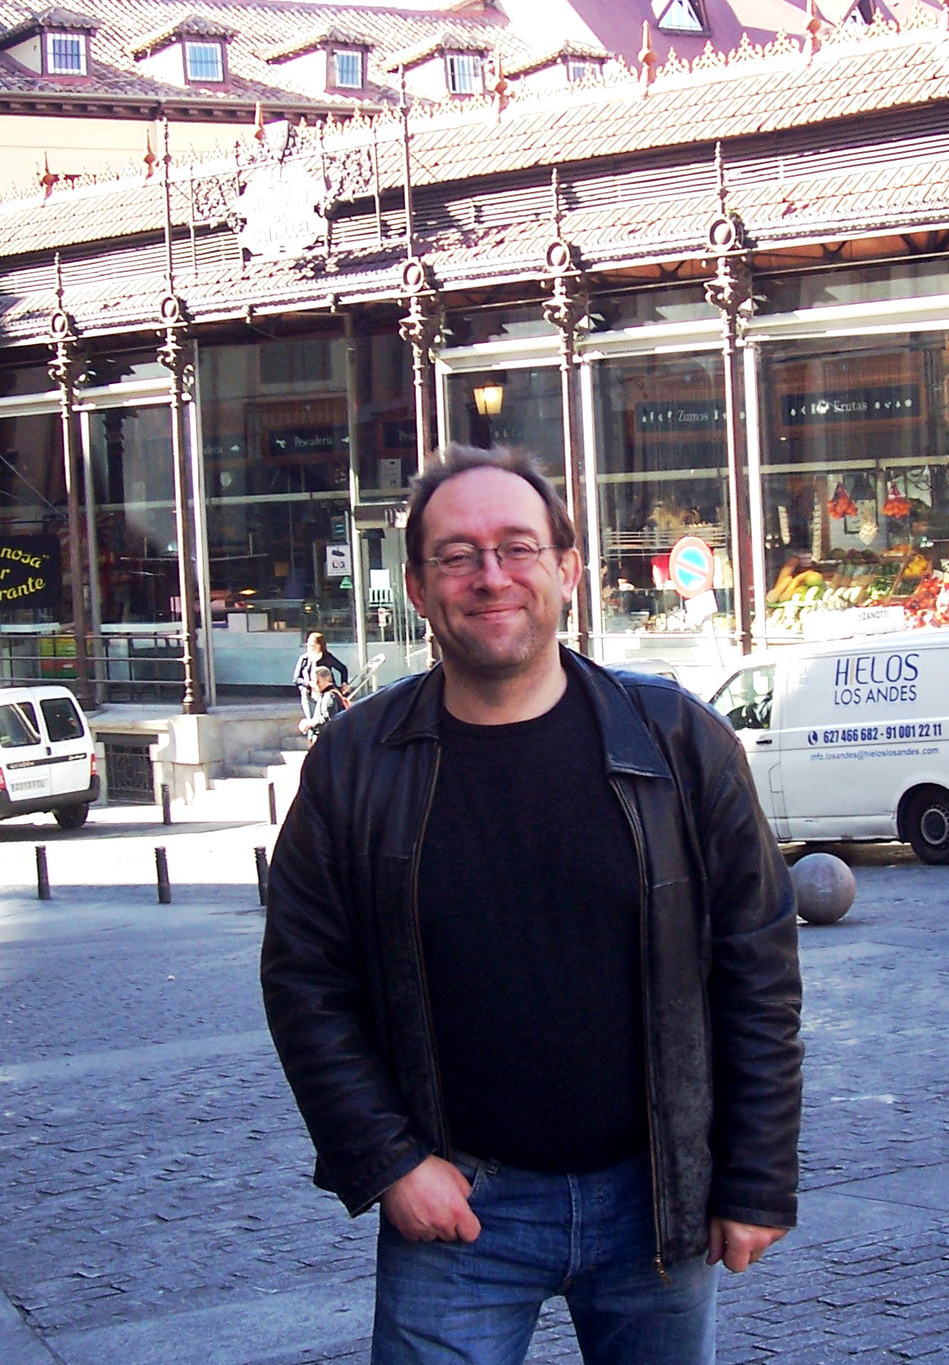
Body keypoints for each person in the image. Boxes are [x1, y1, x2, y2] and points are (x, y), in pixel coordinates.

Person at [260, 445, 802, 1365]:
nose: (491, 576)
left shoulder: (679, 740)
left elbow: (755, 966)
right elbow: (307, 979)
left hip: (656, 1199)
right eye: (457, 555)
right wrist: (390, 1161)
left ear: (566, 569)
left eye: (517, 547)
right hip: (457, 1204)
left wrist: (754, 1177)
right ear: (421, 590)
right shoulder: (355, 762)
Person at [292, 631, 348, 708]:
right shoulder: (304, 659)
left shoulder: (327, 657)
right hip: (309, 692)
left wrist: (344, 683)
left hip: (326, 691)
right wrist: (308, 684)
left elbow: (343, 669)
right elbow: (296, 679)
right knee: (312, 718)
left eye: (313, 643)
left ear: (320, 645)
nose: (310, 645)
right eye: (309, 642)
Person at [297, 665, 347, 745]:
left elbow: (328, 718)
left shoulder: (329, 696)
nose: (312, 684)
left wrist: (310, 723)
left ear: (323, 679)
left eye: (314, 680)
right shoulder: (329, 694)